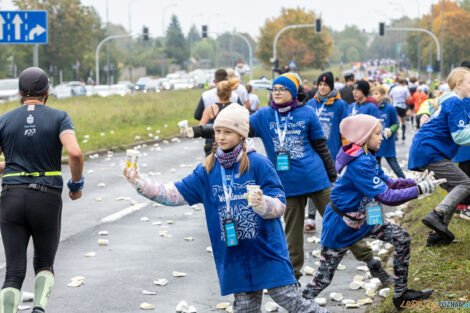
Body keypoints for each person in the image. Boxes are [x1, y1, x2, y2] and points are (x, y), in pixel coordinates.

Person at [184, 73, 392, 286]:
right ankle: (294, 283)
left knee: (343, 223)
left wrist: (333, 176)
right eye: (274, 89)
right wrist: (199, 131)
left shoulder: (307, 113)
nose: (277, 93)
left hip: (317, 180)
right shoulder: (263, 116)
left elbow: (320, 147)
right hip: (287, 186)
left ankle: (372, 263)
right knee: (292, 238)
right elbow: (232, 128)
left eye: (282, 89)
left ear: (293, 92)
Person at [124, 103, 328, 313]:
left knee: (292, 301)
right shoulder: (208, 168)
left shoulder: (259, 163)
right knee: (245, 309)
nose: (220, 137)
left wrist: (262, 204)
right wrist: (140, 182)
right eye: (218, 131)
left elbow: (280, 204)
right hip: (236, 256)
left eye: (227, 132)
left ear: (242, 135)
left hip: (267, 251)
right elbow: (174, 194)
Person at [302, 114, 442, 310]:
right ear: (364, 137)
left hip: (363, 220)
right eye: (377, 133)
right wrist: (420, 191)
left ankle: (401, 295)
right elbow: (387, 197)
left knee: (401, 238)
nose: (382, 137)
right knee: (323, 279)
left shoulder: (366, 157)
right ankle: (298, 304)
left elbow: (390, 183)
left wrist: (416, 182)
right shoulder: (359, 163)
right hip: (340, 226)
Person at [0, 67, 84, 313]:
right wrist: (76, 185)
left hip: (11, 198)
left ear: (19, 93)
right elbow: (75, 153)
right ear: (47, 92)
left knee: (14, 271)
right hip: (46, 197)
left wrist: (11, 166)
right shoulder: (59, 117)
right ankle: (38, 309)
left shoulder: (4, 120)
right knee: (44, 264)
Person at [408, 67, 470, 246]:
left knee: (455, 189)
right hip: (430, 151)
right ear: (458, 84)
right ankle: (438, 214)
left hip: (426, 150)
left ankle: (438, 234)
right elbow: (459, 135)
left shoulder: (450, 101)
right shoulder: (454, 102)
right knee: (465, 183)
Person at [304, 72, 348, 232]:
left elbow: (345, 130)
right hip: (311, 153)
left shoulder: (340, 105)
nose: (322, 88)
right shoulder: (310, 104)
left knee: (332, 187)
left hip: (332, 153)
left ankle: (338, 218)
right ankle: (310, 219)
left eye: (326, 85)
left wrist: (346, 152)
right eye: (320, 85)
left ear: (331, 87)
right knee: (312, 184)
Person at [372, 86, 405, 178]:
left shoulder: (390, 108)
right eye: (373, 94)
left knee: (393, 164)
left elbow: (396, 123)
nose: (374, 96)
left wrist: (391, 130)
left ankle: (405, 182)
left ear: (383, 95)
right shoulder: (372, 108)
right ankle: (379, 184)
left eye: (376, 94)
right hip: (375, 142)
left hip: (387, 141)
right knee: (376, 166)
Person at [451, 60, 470, 221]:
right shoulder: (463, 99)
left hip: (462, 148)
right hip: (465, 147)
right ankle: (463, 208)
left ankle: (462, 207)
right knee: (466, 178)